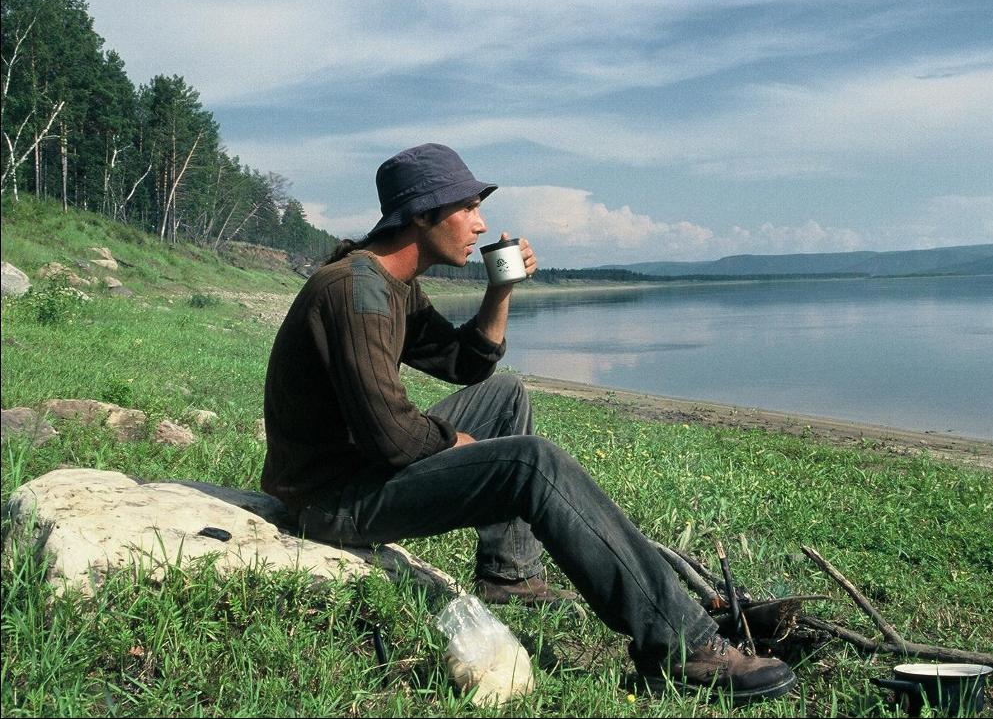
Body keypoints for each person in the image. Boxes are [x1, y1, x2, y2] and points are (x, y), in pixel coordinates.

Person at [260, 142, 796, 702]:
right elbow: (391, 437)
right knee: (530, 462)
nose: (480, 222)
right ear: (421, 215)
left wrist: (500, 290)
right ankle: (683, 647)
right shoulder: (358, 291)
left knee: (504, 394)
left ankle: (508, 575)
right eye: (467, 208)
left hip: (356, 470)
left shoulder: (392, 284)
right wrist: (455, 440)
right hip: (331, 499)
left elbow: (466, 365)